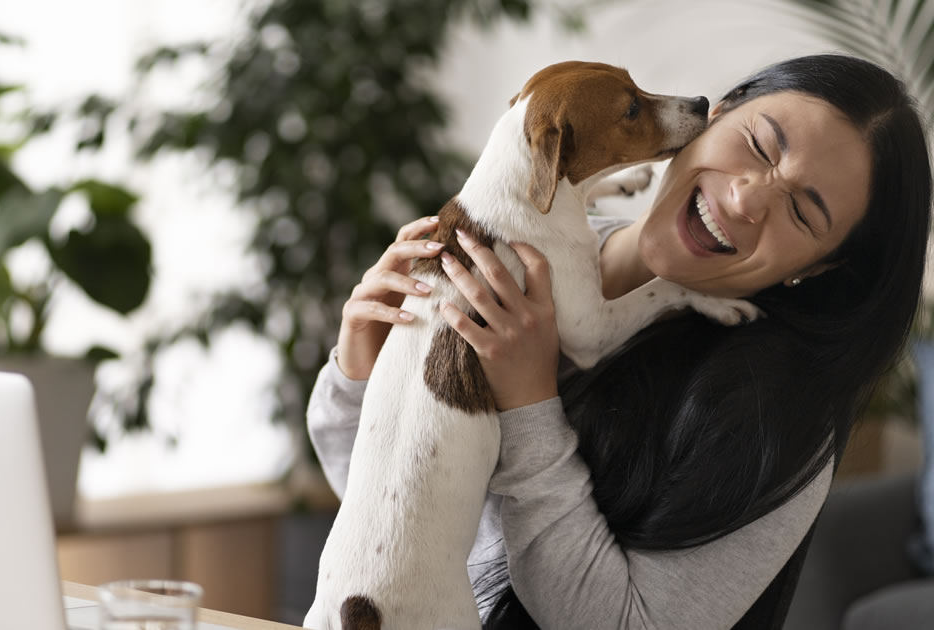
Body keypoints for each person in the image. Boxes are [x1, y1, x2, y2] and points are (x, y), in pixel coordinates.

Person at [306, 54, 933, 629]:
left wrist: (529, 409)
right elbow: (390, 512)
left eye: (803, 211)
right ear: (720, 112)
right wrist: (361, 365)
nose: (745, 198)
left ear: (818, 269)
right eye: (758, 145)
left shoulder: (777, 419)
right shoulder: (505, 249)